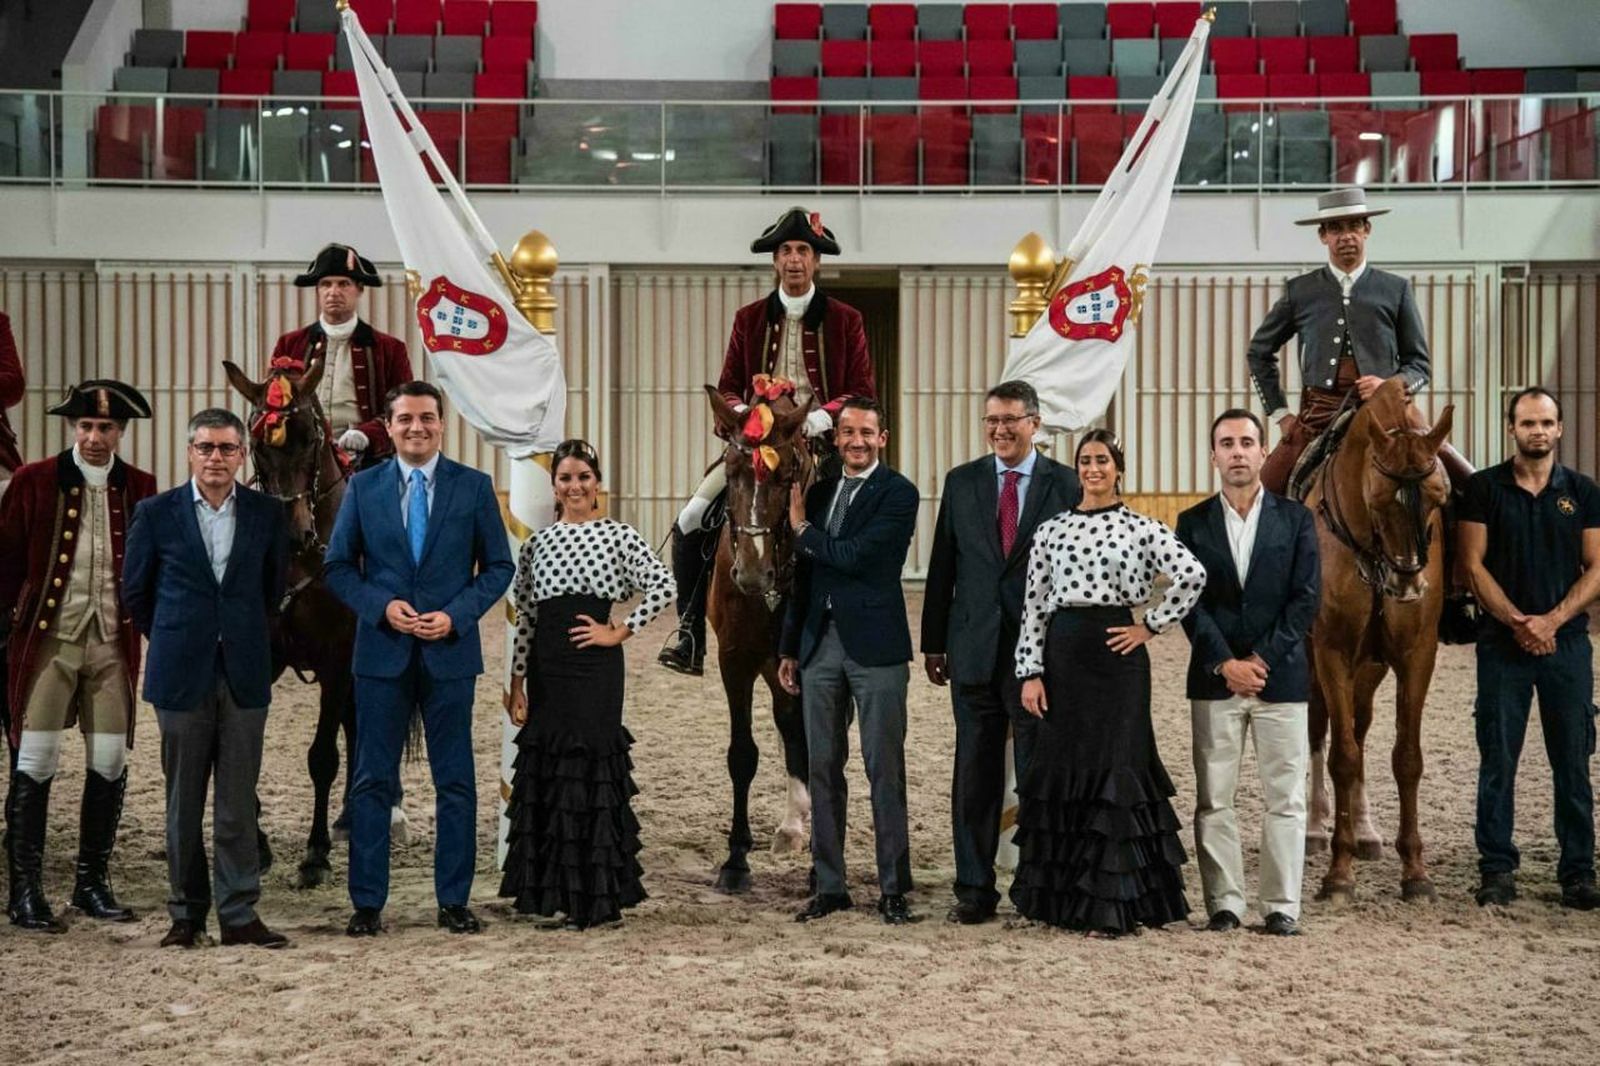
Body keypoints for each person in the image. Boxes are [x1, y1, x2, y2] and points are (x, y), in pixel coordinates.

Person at [323, 381, 514, 937]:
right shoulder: (363, 489)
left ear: (441, 424)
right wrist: (381, 607)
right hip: (381, 655)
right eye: (405, 418)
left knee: (455, 781)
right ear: (389, 425)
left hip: (450, 654)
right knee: (370, 782)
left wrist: (457, 614)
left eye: (427, 418)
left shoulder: (474, 488)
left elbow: (499, 568)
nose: (417, 427)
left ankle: (453, 900)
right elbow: (339, 568)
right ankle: (367, 902)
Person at [659, 206, 877, 676]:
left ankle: (851, 632)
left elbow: (862, 392)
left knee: (851, 529)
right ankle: (690, 631)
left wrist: (820, 419)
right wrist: (743, 415)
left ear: (816, 261)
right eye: (786, 251)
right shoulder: (749, 318)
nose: (794, 259)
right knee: (692, 517)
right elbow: (730, 383)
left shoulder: (846, 320)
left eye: (803, 250)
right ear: (775, 261)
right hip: (755, 446)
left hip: (820, 446)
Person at [1012, 430, 1205, 936]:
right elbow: (1033, 605)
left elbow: (1192, 575)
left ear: (1118, 467)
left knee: (1118, 771)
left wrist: (1151, 625)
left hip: (1118, 659)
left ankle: (1114, 907)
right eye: (1085, 460)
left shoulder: (1143, 527)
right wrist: (1030, 671)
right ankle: (1064, 903)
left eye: (1102, 460)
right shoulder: (1050, 530)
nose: (1093, 468)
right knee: (1065, 769)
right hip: (1063, 654)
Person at [123, 409, 290, 948]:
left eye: (225, 448)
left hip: (244, 674)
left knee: (238, 800)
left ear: (242, 454)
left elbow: (272, 592)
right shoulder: (156, 513)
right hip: (179, 676)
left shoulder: (267, 514)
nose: (215, 457)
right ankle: (186, 914)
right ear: (189, 452)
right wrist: (180, 636)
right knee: (182, 801)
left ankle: (239, 914)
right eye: (205, 447)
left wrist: (233, 634)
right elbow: (136, 595)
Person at [920, 380, 1081, 925]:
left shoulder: (1066, 484)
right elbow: (944, 566)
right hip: (973, 651)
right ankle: (974, 888)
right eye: (991, 420)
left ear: (1035, 423)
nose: (1000, 430)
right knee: (974, 775)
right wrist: (935, 642)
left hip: (1040, 659)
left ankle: (1036, 884)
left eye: (1011, 419)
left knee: (1038, 773)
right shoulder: (961, 483)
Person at [0, 380, 156, 932]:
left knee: (109, 762)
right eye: (86, 426)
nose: (94, 437)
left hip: (113, 645)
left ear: (121, 432)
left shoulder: (141, 487)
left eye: (106, 428)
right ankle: (25, 892)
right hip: (48, 644)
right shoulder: (32, 480)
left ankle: (91, 883)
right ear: (73, 428)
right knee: (36, 761)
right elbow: (7, 564)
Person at [500, 440, 675, 930]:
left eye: (583, 477)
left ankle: (596, 898)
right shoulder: (536, 544)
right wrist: (517, 684)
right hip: (546, 669)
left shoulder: (619, 535)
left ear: (597, 483)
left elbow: (664, 585)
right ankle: (554, 892)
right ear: (553, 485)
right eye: (565, 478)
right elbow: (526, 618)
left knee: (592, 771)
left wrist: (619, 630)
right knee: (549, 769)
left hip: (595, 672)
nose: (575, 486)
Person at [1175, 409, 1320, 937]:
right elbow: (1188, 604)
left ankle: (1282, 905)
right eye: (1226, 443)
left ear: (1263, 452)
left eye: (1247, 442)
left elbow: (1305, 601)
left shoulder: (1296, 519)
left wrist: (1258, 662)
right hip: (1214, 681)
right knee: (1215, 798)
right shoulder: (1191, 524)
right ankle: (1225, 904)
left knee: (1286, 798)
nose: (1237, 451)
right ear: (1213, 455)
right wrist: (1224, 662)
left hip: (1279, 680)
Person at [778, 397, 919, 925]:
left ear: (882, 438)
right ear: (835, 439)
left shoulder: (899, 493)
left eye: (866, 432)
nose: (856, 441)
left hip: (876, 647)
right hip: (819, 645)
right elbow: (804, 576)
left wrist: (803, 533)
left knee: (884, 769)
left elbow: (859, 557)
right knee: (822, 769)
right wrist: (790, 646)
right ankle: (831, 886)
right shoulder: (816, 494)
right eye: (846, 432)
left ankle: (893, 888)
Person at [1459, 387, 1600, 910]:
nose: (1537, 431)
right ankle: (1496, 868)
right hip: (1502, 645)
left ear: (1559, 429)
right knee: (1498, 759)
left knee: (1573, 760)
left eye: (1546, 423)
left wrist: (1553, 620)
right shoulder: (1482, 490)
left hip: (1567, 647)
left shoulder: (1583, 493)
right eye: (1527, 423)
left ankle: (1578, 872)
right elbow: (1472, 566)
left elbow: (1598, 567)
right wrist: (1519, 622)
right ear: (1511, 428)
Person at [1247, 187, 1468, 497]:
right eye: (1336, 228)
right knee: (1261, 497)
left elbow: (1419, 366)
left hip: (1389, 411)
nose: (1346, 236)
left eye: (1354, 226)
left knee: (1468, 483)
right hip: (1318, 415)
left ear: (1367, 230)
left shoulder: (1396, 289)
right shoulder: (1301, 291)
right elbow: (1258, 352)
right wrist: (1280, 414)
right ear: (1323, 236)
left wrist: (1388, 386)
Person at [269, 243, 414, 469]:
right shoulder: (289, 343)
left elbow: (404, 408)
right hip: (301, 459)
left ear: (360, 289)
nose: (333, 292)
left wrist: (367, 434)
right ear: (317, 290)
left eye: (343, 284)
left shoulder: (389, 348)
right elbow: (273, 404)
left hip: (367, 459)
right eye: (325, 284)